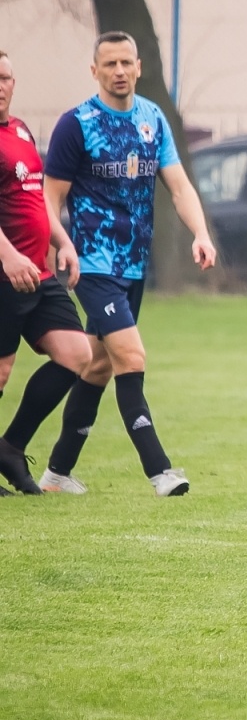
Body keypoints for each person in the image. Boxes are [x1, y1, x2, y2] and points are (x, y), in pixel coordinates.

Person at [36, 31, 215, 497]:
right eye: (109, 64)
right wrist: (55, 246)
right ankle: (161, 472)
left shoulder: (153, 119)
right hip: (92, 265)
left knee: (96, 367)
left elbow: (179, 186)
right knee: (131, 358)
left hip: (134, 267)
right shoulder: (77, 124)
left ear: (138, 67)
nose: (119, 71)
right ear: (94, 71)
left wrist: (200, 233)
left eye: (126, 63)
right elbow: (49, 197)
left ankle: (56, 475)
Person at [0, 50, 92, 496]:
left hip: (38, 272)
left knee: (77, 354)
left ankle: (11, 447)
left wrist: (63, 241)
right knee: (1, 371)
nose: (1, 85)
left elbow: (36, 200)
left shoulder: (18, 130)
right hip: (6, 274)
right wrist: (7, 255)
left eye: (6, 77)